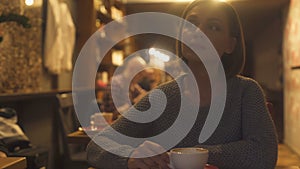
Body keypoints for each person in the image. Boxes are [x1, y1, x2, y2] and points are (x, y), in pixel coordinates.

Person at [87, 1, 278, 169]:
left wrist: (186, 155)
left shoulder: (246, 92)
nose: (197, 31)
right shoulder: (161, 97)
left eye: (213, 26)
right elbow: (98, 145)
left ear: (231, 44)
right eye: (192, 23)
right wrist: (130, 157)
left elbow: (264, 154)